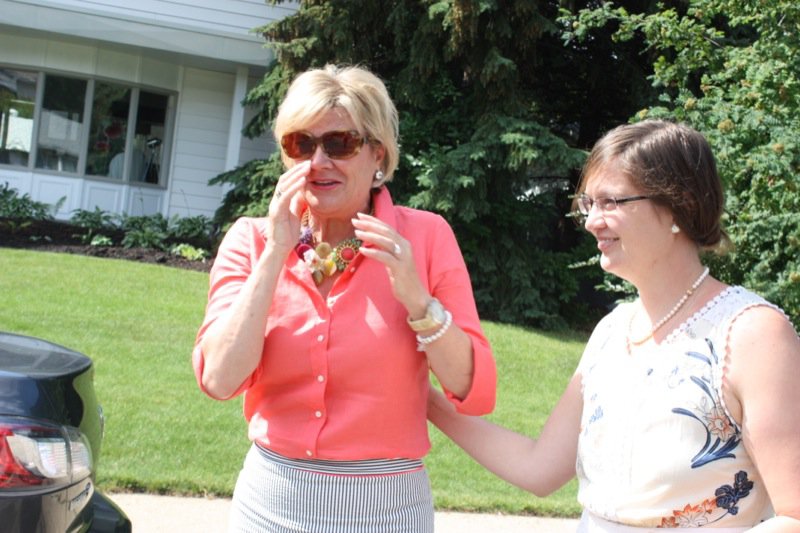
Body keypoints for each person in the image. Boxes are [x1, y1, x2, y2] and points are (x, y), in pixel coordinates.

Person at [428, 120, 800, 531]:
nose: (591, 221)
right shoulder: (612, 330)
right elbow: (539, 467)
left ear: (679, 207)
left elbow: (794, 513)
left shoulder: (752, 334)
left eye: (611, 202)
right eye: (588, 203)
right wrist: (424, 400)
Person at [192, 64, 496, 533]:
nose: (319, 161)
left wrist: (419, 302)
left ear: (378, 155)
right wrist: (275, 253)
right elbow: (218, 378)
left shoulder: (426, 238)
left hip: (388, 513)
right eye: (302, 144)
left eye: (340, 143)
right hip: (269, 507)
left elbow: (474, 388)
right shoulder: (251, 240)